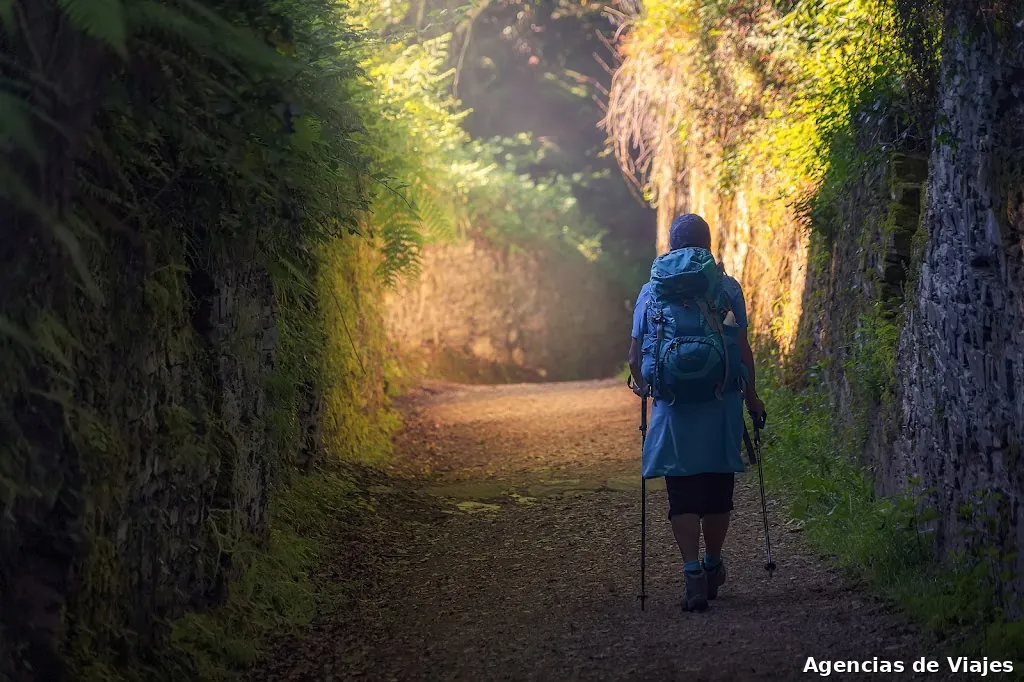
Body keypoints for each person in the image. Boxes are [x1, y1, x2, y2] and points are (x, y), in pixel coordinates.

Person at [627, 213, 764, 613]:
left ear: (671, 245)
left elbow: (635, 355)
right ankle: (713, 563)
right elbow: (741, 349)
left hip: (673, 407)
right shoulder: (724, 287)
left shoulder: (651, 290)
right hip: (721, 403)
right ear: (708, 245)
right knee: (717, 488)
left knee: (682, 491)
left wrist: (643, 385)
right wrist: (751, 397)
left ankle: (692, 575)